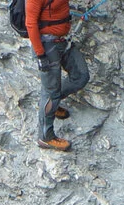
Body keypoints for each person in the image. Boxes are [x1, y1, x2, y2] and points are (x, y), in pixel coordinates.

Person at [26, 0, 89, 151]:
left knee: (81, 76)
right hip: (47, 47)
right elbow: (31, 24)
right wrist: (41, 56)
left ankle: (48, 106)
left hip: (63, 42)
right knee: (51, 92)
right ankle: (45, 137)